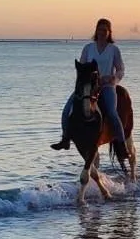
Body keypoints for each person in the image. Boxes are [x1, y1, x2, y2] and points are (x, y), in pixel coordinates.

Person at [51, 17, 127, 159]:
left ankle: (122, 146)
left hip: (106, 87)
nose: (102, 32)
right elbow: (81, 67)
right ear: (96, 31)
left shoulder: (113, 50)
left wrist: (114, 79)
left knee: (111, 112)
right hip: (88, 87)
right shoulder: (88, 48)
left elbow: (121, 69)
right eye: (100, 29)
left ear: (109, 32)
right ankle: (65, 139)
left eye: (105, 30)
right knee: (67, 109)